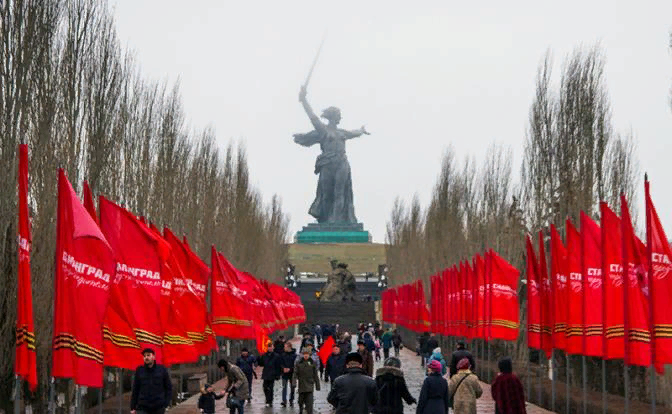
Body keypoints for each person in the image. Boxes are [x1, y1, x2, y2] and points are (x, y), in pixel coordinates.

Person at [130, 348, 172, 414]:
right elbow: (135, 389)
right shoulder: (139, 370)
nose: (146, 357)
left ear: (154, 357)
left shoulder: (162, 369)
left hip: (158, 407)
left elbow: (168, 388)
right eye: (144, 356)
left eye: (148, 355)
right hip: (142, 407)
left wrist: (166, 404)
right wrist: (132, 407)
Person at [292, 348, 321, 414]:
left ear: (309, 355)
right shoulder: (299, 363)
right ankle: (301, 408)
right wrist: (294, 382)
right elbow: (295, 373)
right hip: (301, 385)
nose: (306, 355)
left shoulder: (312, 363)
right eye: (304, 354)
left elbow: (315, 375)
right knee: (300, 401)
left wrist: (317, 385)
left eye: (307, 354)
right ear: (302, 355)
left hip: (310, 385)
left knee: (309, 403)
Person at [259, 342, 282, 407]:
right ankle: (267, 399)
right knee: (265, 388)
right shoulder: (264, 355)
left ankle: (270, 401)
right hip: (266, 374)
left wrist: (278, 375)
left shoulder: (276, 356)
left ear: (273, 347)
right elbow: (261, 364)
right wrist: (259, 358)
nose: (270, 348)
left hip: (272, 374)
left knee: (271, 388)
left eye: (271, 347)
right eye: (269, 347)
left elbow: (278, 366)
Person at [280, 341, 297, 407]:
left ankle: (291, 400)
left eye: (285, 347)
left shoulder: (295, 355)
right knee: (284, 387)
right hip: (284, 374)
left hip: (292, 374)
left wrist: (290, 369)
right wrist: (283, 368)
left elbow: (296, 365)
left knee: (292, 387)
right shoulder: (283, 354)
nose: (284, 348)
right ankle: (284, 400)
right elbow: (280, 363)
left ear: (289, 347)